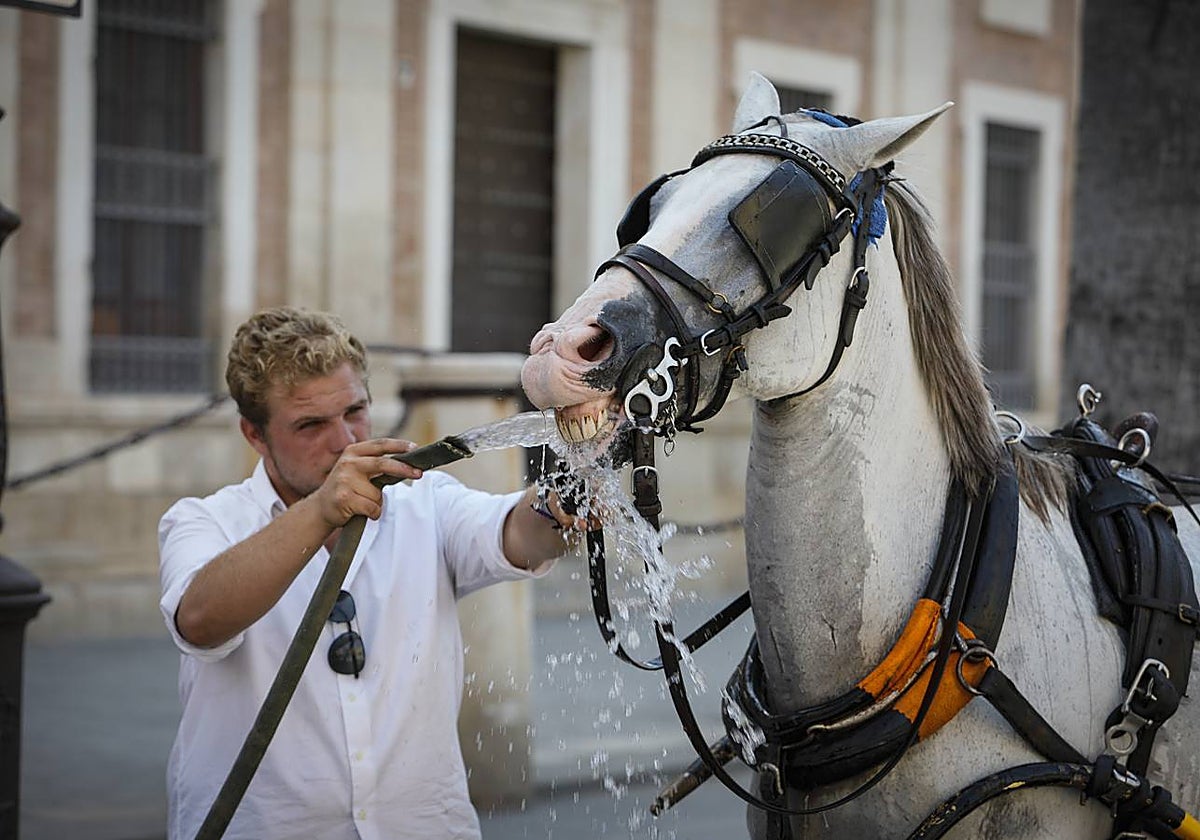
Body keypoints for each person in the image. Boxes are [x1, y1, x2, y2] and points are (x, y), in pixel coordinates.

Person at [158, 306, 576, 840]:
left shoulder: (428, 504)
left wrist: (564, 501)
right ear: (254, 434)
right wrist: (319, 511)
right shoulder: (203, 521)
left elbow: (516, 534)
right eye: (310, 425)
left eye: (355, 411)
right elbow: (199, 620)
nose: (344, 441)